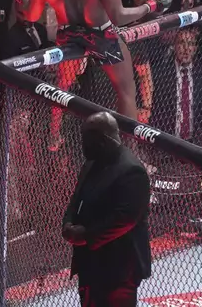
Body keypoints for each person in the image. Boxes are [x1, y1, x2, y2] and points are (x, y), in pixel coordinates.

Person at [16, 0, 172, 148]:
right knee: (126, 92)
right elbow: (118, 16)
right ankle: (127, 154)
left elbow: (30, 15)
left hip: (67, 35)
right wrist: (152, 5)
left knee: (62, 91)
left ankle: (53, 141)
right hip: (100, 36)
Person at [62, 112, 151, 306]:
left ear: (101, 141)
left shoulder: (131, 171)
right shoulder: (92, 163)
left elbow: (125, 219)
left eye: (86, 140)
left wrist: (86, 235)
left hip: (119, 267)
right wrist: (68, 223)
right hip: (91, 261)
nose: (82, 145)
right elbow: (77, 197)